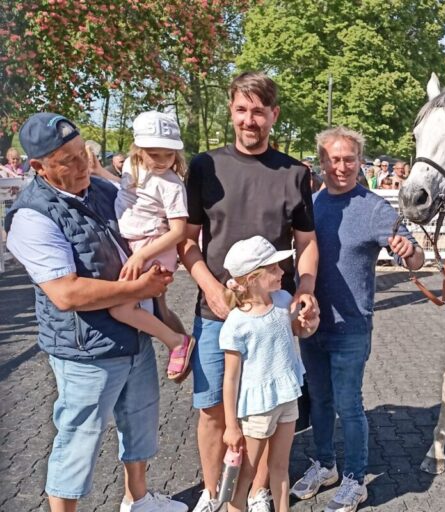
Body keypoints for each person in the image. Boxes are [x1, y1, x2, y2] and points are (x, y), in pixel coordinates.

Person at [5, 113, 187, 511]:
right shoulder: (32, 216)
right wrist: (138, 288)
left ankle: (137, 500)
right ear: (38, 167)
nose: (82, 164)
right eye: (66, 160)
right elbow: (67, 293)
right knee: (78, 440)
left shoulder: (99, 190)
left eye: (81, 152)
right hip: (85, 349)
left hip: (132, 334)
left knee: (139, 424)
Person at [179, 71, 319, 512]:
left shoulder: (295, 173)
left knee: (268, 409)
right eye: (242, 109)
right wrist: (210, 287)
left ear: (273, 114)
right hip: (214, 312)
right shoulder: (205, 167)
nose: (250, 119)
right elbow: (187, 241)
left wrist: (306, 291)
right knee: (212, 410)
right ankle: (213, 490)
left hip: (274, 315)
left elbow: (307, 242)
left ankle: (257, 491)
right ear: (231, 111)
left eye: (259, 110)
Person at [290, 127, 424, 512]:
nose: (342, 166)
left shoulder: (374, 208)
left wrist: (407, 250)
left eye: (349, 159)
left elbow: (415, 259)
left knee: (349, 405)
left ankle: (354, 479)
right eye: (334, 159)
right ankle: (325, 465)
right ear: (322, 162)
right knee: (318, 400)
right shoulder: (310, 206)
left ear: (360, 161)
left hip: (351, 326)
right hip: (311, 323)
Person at [220, 236, 319, 512]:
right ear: (253, 278)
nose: (282, 272)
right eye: (274, 269)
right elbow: (230, 378)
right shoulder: (237, 323)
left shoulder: (283, 300)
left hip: (287, 395)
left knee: (280, 466)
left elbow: (297, 331)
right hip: (257, 406)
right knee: (246, 475)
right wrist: (231, 425)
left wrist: (308, 324)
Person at [111, 111, 195, 381]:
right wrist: (97, 171)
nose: (162, 161)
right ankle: (183, 352)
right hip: (136, 244)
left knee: (121, 307)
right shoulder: (130, 168)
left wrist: (142, 255)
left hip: (152, 247)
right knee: (158, 306)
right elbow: (125, 192)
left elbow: (179, 230)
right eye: (154, 154)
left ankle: (176, 343)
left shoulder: (172, 185)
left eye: (168, 155)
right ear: (138, 150)